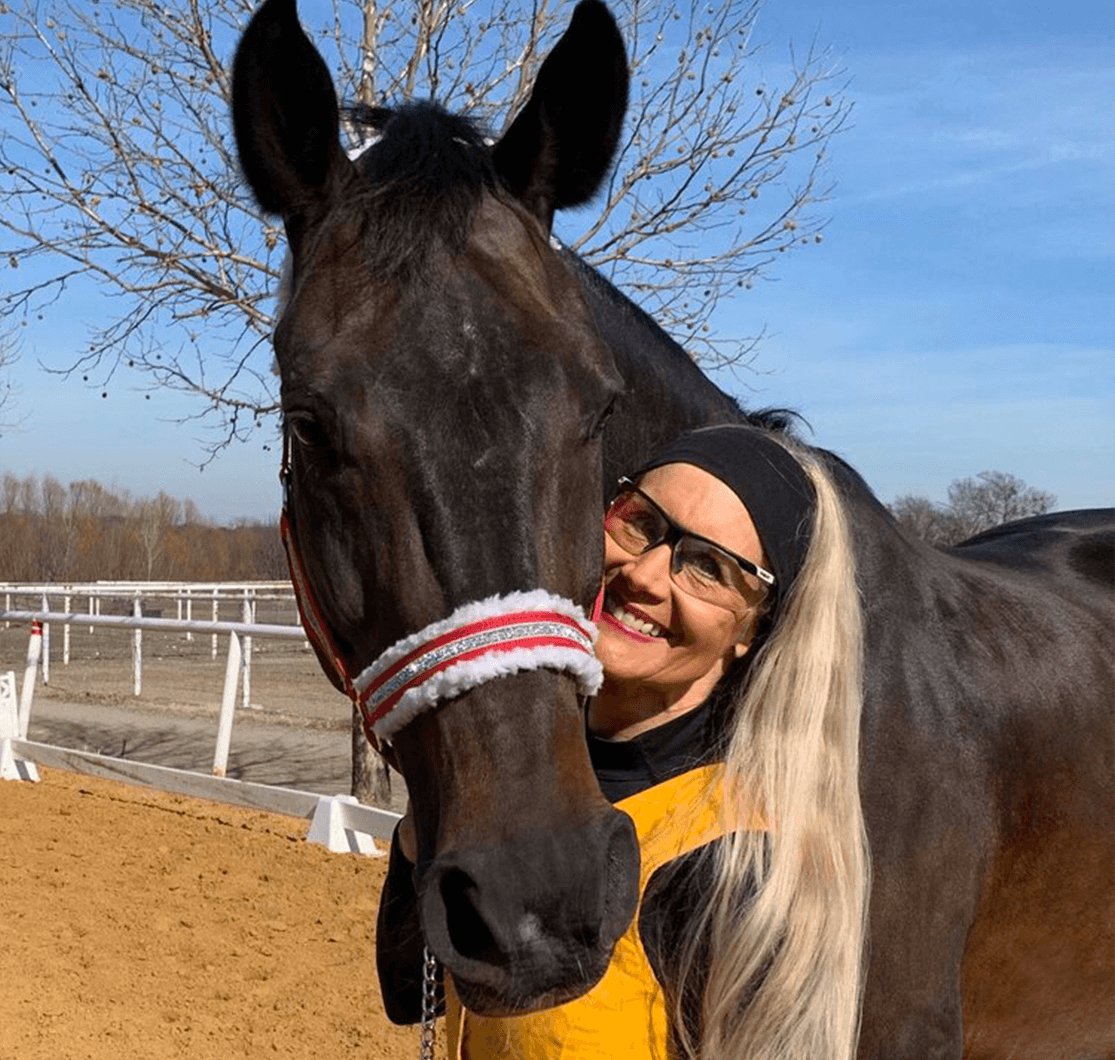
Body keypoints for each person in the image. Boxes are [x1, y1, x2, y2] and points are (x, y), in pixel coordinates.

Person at [377, 425, 869, 1060]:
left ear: (752, 628)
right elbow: (414, 994)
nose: (645, 574)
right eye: (640, 522)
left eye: (709, 567)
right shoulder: (536, 772)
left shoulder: (735, 860)